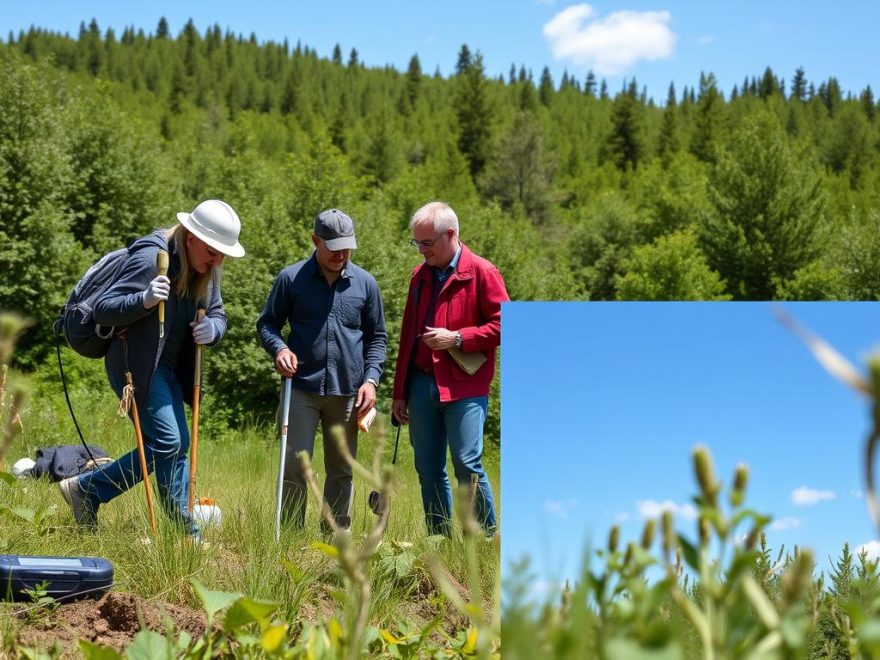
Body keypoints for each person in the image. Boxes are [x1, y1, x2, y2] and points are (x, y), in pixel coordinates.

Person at [58, 199, 245, 539]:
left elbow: (217, 313)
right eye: (212, 251)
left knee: (177, 443)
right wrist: (143, 299)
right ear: (191, 238)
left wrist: (214, 330)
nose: (217, 261)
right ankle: (179, 529)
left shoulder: (208, 269)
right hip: (136, 366)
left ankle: (96, 494)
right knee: (167, 441)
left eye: (222, 254)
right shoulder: (152, 259)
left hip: (171, 367)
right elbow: (104, 309)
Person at [257, 208, 387, 532]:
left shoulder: (366, 284)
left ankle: (335, 538)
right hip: (300, 388)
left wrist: (371, 380)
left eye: (347, 248)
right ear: (315, 240)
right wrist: (280, 348)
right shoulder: (291, 278)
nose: (341, 255)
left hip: (348, 393)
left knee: (342, 469)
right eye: (333, 248)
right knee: (295, 467)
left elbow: (377, 338)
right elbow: (267, 325)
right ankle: (288, 536)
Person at [392, 201, 508, 537]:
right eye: (417, 243)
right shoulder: (419, 277)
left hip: (465, 387)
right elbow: (408, 339)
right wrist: (400, 392)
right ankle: (440, 540)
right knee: (428, 469)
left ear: (451, 235)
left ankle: (486, 541)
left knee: (466, 464)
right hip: (421, 385)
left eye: (426, 243)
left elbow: (506, 326)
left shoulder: (483, 272)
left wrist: (457, 338)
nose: (421, 251)